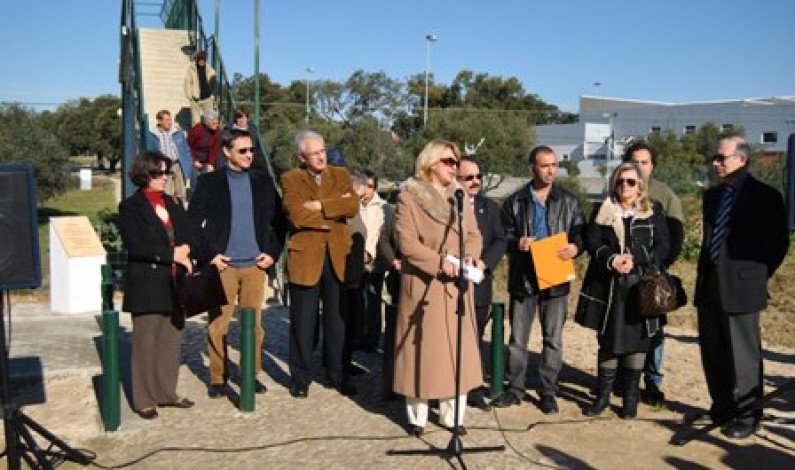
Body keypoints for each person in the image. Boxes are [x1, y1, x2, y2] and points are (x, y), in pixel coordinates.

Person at [694, 136, 788, 439]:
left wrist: (755, 276)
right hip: (710, 285)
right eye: (715, 158)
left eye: (721, 158)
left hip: (743, 287)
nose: (716, 163)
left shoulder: (766, 197)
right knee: (713, 351)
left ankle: (749, 414)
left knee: (743, 355)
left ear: (742, 159)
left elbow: (778, 244)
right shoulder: (712, 197)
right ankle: (722, 407)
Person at [393, 139, 483, 437]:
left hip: (457, 287)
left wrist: (470, 254)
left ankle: (453, 415)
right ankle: (417, 415)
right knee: (424, 352)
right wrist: (439, 261)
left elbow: (473, 234)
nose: (454, 167)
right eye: (448, 161)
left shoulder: (460, 195)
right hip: (425, 286)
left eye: (456, 162)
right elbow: (407, 244)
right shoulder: (409, 196)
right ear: (430, 164)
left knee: (456, 352)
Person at [188, 127, 286, 400]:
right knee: (218, 324)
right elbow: (192, 222)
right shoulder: (210, 183)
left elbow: (280, 221)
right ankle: (218, 378)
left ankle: (250, 375)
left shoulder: (263, 181)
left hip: (255, 266)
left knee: (253, 325)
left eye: (251, 150)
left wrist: (272, 253)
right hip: (223, 267)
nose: (249, 155)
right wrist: (209, 254)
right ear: (227, 152)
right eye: (242, 150)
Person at [491, 146, 583, 415]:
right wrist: (515, 242)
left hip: (555, 278)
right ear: (532, 168)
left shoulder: (569, 201)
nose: (551, 170)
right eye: (545, 165)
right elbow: (502, 236)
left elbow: (580, 232)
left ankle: (548, 391)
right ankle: (516, 389)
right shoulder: (515, 202)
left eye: (554, 165)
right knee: (518, 339)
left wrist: (576, 248)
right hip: (524, 279)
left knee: (553, 338)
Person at [575, 162, 669, 419]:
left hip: (642, 285)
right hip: (609, 286)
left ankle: (630, 397)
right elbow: (592, 241)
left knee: (639, 341)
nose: (625, 186)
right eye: (620, 181)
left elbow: (663, 246)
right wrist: (613, 259)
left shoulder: (653, 212)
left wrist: (636, 258)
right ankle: (603, 396)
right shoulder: (601, 209)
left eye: (630, 182)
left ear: (640, 186)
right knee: (608, 340)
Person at [281, 130, 360, 398]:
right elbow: (296, 214)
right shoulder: (290, 178)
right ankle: (300, 377)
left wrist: (319, 206)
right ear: (301, 157)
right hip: (306, 257)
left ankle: (338, 374)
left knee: (338, 321)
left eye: (322, 151)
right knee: (303, 323)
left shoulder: (340, 174)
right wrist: (331, 212)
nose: (320, 157)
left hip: (338, 256)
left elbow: (353, 207)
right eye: (313, 154)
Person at [118, 150, 196, 419]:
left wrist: (187, 247)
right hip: (148, 283)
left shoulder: (174, 202)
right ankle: (144, 400)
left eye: (166, 172)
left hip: (175, 282)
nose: (164, 178)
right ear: (144, 175)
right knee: (146, 343)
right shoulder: (130, 207)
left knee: (170, 341)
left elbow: (188, 232)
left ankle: (166, 393)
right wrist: (170, 254)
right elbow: (136, 246)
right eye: (158, 173)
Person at [621, 141, 684, 405]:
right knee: (623, 327)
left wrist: (659, 266)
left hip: (652, 274)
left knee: (654, 330)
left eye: (644, 162)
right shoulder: (619, 187)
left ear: (653, 166)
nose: (639, 167)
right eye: (635, 161)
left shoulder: (664, 195)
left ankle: (652, 382)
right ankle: (623, 380)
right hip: (623, 274)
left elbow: (676, 236)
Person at [456, 156, 506, 411]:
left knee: (475, 338)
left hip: (479, 283)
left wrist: (484, 263)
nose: (475, 182)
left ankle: (474, 389)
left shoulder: (490, 207)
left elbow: (500, 239)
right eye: (469, 177)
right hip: (450, 284)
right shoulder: (446, 206)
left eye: (478, 176)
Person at [359, 170, 391, 353]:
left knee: (373, 300)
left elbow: (382, 234)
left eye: (371, 186)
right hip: (356, 262)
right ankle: (358, 335)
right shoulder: (355, 204)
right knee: (357, 300)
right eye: (365, 185)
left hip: (375, 263)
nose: (367, 190)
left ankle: (372, 339)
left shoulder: (383, 207)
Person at [376, 204, 401, 402]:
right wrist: (393, 260)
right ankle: (391, 386)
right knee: (394, 336)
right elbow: (384, 237)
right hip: (400, 282)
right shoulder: (400, 209)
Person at [146, 109, 192, 201]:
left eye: (170, 120)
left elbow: (186, 149)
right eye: (166, 120)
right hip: (164, 166)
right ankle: (170, 212)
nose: (169, 122)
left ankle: (181, 213)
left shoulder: (178, 132)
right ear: (159, 121)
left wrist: (188, 163)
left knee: (181, 193)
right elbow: (150, 152)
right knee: (167, 192)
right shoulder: (152, 135)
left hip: (178, 164)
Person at [223, 108, 268, 176]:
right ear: (236, 119)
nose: (242, 120)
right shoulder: (228, 131)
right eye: (239, 118)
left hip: (249, 166)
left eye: (244, 117)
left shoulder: (253, 131)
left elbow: (258, 151)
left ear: (247, 118)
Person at [184, 50, 216, 125]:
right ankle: (196, 136)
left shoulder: (211, 70)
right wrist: (190, 96)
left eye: (203, 60)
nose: (201, 61)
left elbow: (214, 84)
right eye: (200, 60)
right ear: (197, 59)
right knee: (196, 122)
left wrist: (213, 96)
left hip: (208, 99)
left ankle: (208, 136)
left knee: (209, 121)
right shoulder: (191, 69)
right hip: (195, 99)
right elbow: (187, 83)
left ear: (205, 60)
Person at [187, 109, 221, 180]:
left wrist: (210, 163)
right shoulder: (196, 130)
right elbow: (188, 146)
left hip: (207, 160)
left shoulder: (217, 132)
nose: (216, 123)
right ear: (207, 122)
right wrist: (194, 160)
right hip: (195, 158)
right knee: (195, 182)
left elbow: (215, 149)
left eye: (216, 120)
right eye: (213, 121)